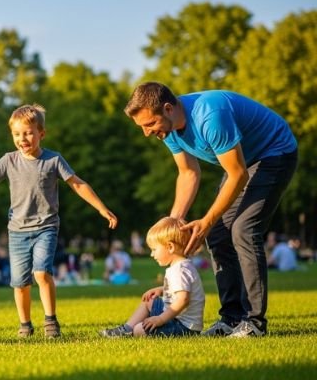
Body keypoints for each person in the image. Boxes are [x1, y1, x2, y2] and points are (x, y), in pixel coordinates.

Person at [0, 104, 118, 339]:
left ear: (41, 133)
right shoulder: (9, 160)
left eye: (28, 133)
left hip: (46, 227)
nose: (22, 139)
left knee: (41, 273)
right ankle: (25, 324)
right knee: (19, 283)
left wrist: (101, 208)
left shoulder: (53, 160)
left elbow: (77, 184)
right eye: (17, 134)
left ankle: (50, 321)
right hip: (17, 231)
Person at [124, 82, 298, 337]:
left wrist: (206, 220)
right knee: (217, 234)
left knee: (243, 230)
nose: (147, 133)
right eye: (142, 127)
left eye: (149, 124)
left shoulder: (210, 116)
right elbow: (188, 173)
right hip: (243, 162)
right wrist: (173, 224)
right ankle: (231, 318)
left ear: (168, 109)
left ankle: (254, 322)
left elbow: (237, 174)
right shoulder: (168, 130)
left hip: (274, 153)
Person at [100, 217, 205, 338]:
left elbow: (183, 300)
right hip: (175, 317)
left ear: (170, 247)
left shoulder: (179, 270)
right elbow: (181, 289)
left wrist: (160, 319)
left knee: (139, 329)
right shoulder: (181, 266)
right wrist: (161, 290)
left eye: (154, 249)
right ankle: (126, 329)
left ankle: (130, 330)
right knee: (149, 301)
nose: (152, 254)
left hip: (184, 327)